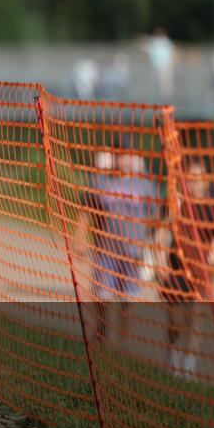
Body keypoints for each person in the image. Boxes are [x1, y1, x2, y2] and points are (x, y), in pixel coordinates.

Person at [75, 134, 161, 343]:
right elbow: (85, 211)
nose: (122, 158)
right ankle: (102, 332)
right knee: (101, 296)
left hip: (132, 254)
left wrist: (157, 253)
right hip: (105, 251)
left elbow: (157, 220)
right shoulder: (101, 181)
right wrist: (79, 237)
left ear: (132, 155)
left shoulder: (145, 185)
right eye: (118, 153)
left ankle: (124, 340)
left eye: (125, 153)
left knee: (127, 300)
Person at [156, 157, 214, 377]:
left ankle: (188, 366)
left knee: (195, 318)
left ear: (206, 181)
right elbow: (162, 230)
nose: (194, 183)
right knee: (175, 320)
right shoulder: (176, 203)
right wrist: (159, 260)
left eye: (198, 178)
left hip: (199, 274)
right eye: (191, 178)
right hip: (176, 270)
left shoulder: (213, 208)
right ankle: (174, 357)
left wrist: (210, 262)